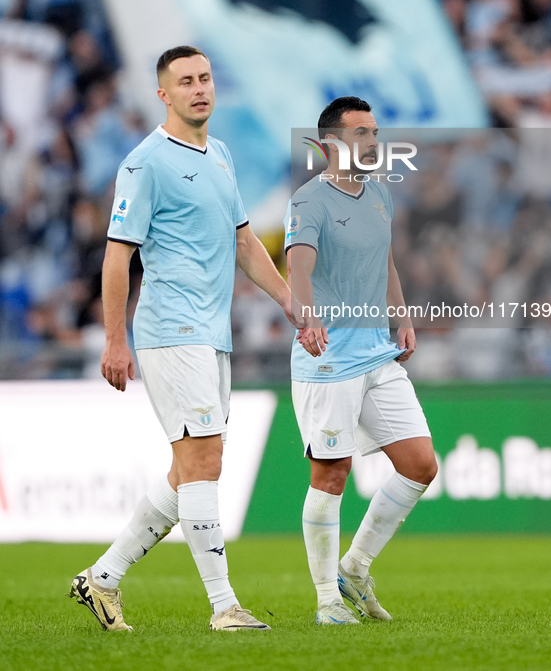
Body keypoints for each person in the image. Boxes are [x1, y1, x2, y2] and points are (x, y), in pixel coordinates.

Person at [69, 45, 294, 632]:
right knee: (202, 463)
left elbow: (246, 244)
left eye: (205, 78)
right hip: (171, 329)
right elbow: (117, 258)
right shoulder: (145, 164)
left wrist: (291, 301)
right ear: (163, 95)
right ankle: (224, 607)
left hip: (211, 332)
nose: (199, 88)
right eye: (185, 82)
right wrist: (114, 340)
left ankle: (103, 578)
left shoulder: (219, 155)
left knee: (189, 468)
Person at [286, 96, 437, 625]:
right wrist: (306, 318)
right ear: (331, 143)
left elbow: (386, 261)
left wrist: (403, 318)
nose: (373, 142)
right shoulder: (309, 201)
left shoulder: (379, 195)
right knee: (331, 476)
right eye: (361, 133)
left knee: (421, 465)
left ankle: (355, 567)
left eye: (375, 132)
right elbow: (298, 271)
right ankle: (328, 600)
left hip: (378, 354)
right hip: (329, 358)